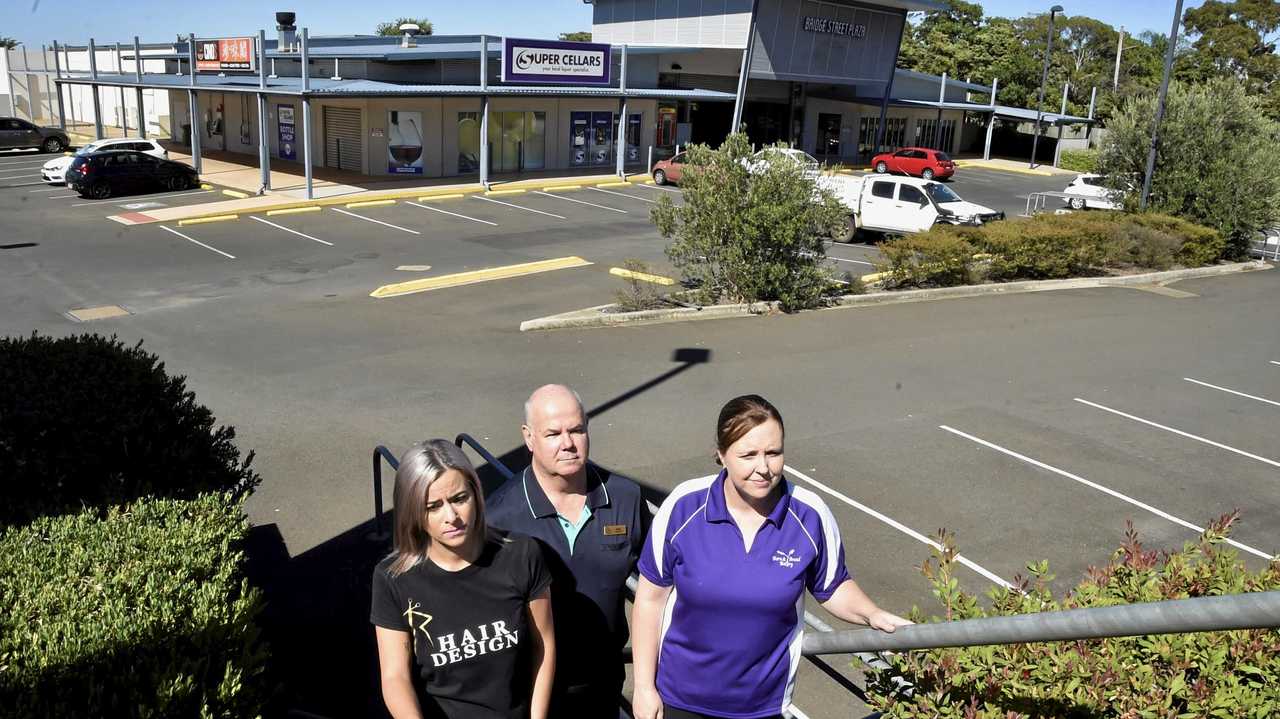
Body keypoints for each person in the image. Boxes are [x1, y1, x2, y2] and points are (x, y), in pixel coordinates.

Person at [631, 395, 911, 719]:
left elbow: (831, 586)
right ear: (721, 455)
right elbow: (650, 600)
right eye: (748, 455)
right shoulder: (684, 507)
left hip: (763, 708)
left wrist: (872, 614)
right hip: (680, 702)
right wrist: (643, 689)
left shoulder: (809, 515)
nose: (763, 468)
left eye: (773, 453)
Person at [487, 384, 651, 718]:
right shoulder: (499, 517)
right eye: (553, 433)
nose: (568, 443)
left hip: (604, 684)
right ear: (529, 437)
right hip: (529, 692)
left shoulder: (625, 498)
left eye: (577, 430)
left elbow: (656, 589)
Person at [371, 439, 556, 719]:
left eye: (459, 499)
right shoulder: (393, 579)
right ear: (412, 511)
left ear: (476, 494)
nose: (452, 517)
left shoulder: (521, 555)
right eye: (433, 506)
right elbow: (395, 677)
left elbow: (543, 646)